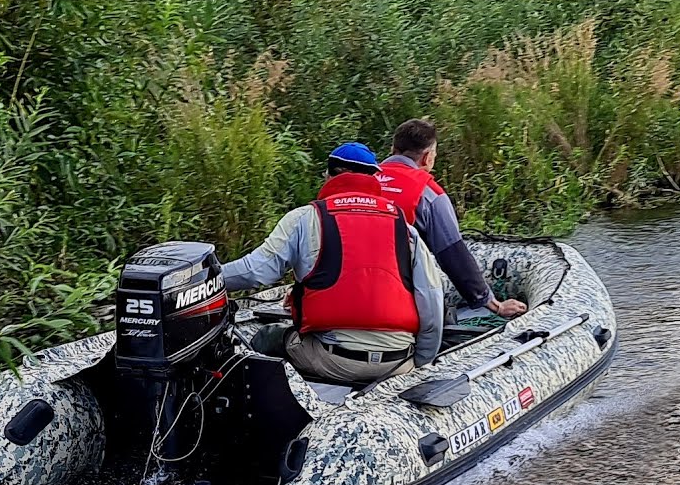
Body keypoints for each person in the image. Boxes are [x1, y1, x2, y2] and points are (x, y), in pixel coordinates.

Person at [220, 142, 445, 385]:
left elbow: (254, 272)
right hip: (398, 363)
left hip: (332, 360)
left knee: (264, 337)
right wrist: (421, 361)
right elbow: (432, 302)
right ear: (375, 180)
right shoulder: (405, 227)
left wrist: (206, 279)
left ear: (329, 176)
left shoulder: (306, 218)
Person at [378, 118, 528, 319]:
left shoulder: (361, 181)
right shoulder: (428, 194)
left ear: (392, 149)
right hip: (394, 300)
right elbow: (454, 257)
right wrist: (495, 305)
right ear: (427, 157)